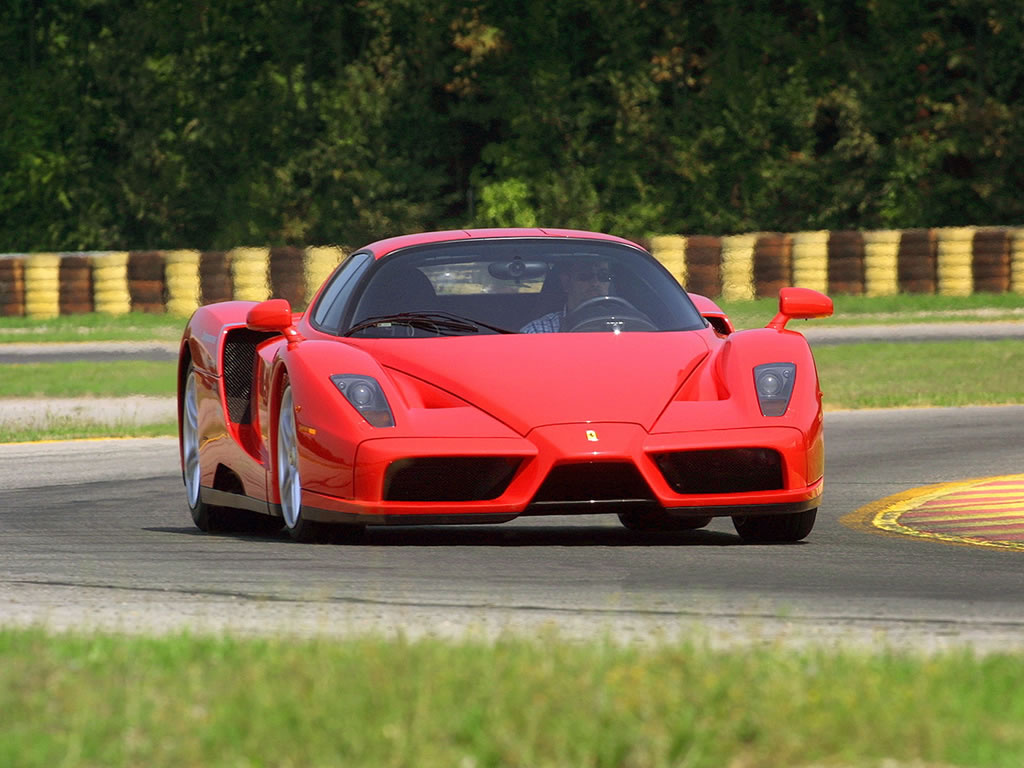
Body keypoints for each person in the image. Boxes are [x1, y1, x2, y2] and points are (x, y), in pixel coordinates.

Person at [520, 259, 613, 333]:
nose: (595, 283)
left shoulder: (624, 326)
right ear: (566, 283)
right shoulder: (539, 332)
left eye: (603, 275)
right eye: (585, 276)